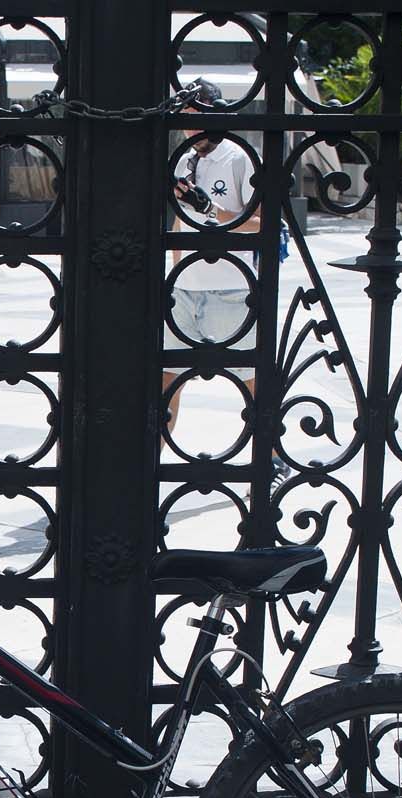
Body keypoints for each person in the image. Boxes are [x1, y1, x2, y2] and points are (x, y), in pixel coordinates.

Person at [162, 77, 289, 491]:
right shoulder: (182, 159)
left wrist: (212, 209)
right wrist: (175, 272)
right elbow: (180, 218)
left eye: (196, 119)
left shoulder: (239, 158)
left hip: (231, 290)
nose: (190, 128)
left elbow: (266, 223)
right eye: (184, 119)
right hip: (184, 290)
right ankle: (151, 463)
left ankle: (269, 462)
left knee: (250, 381)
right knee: (165, 380)